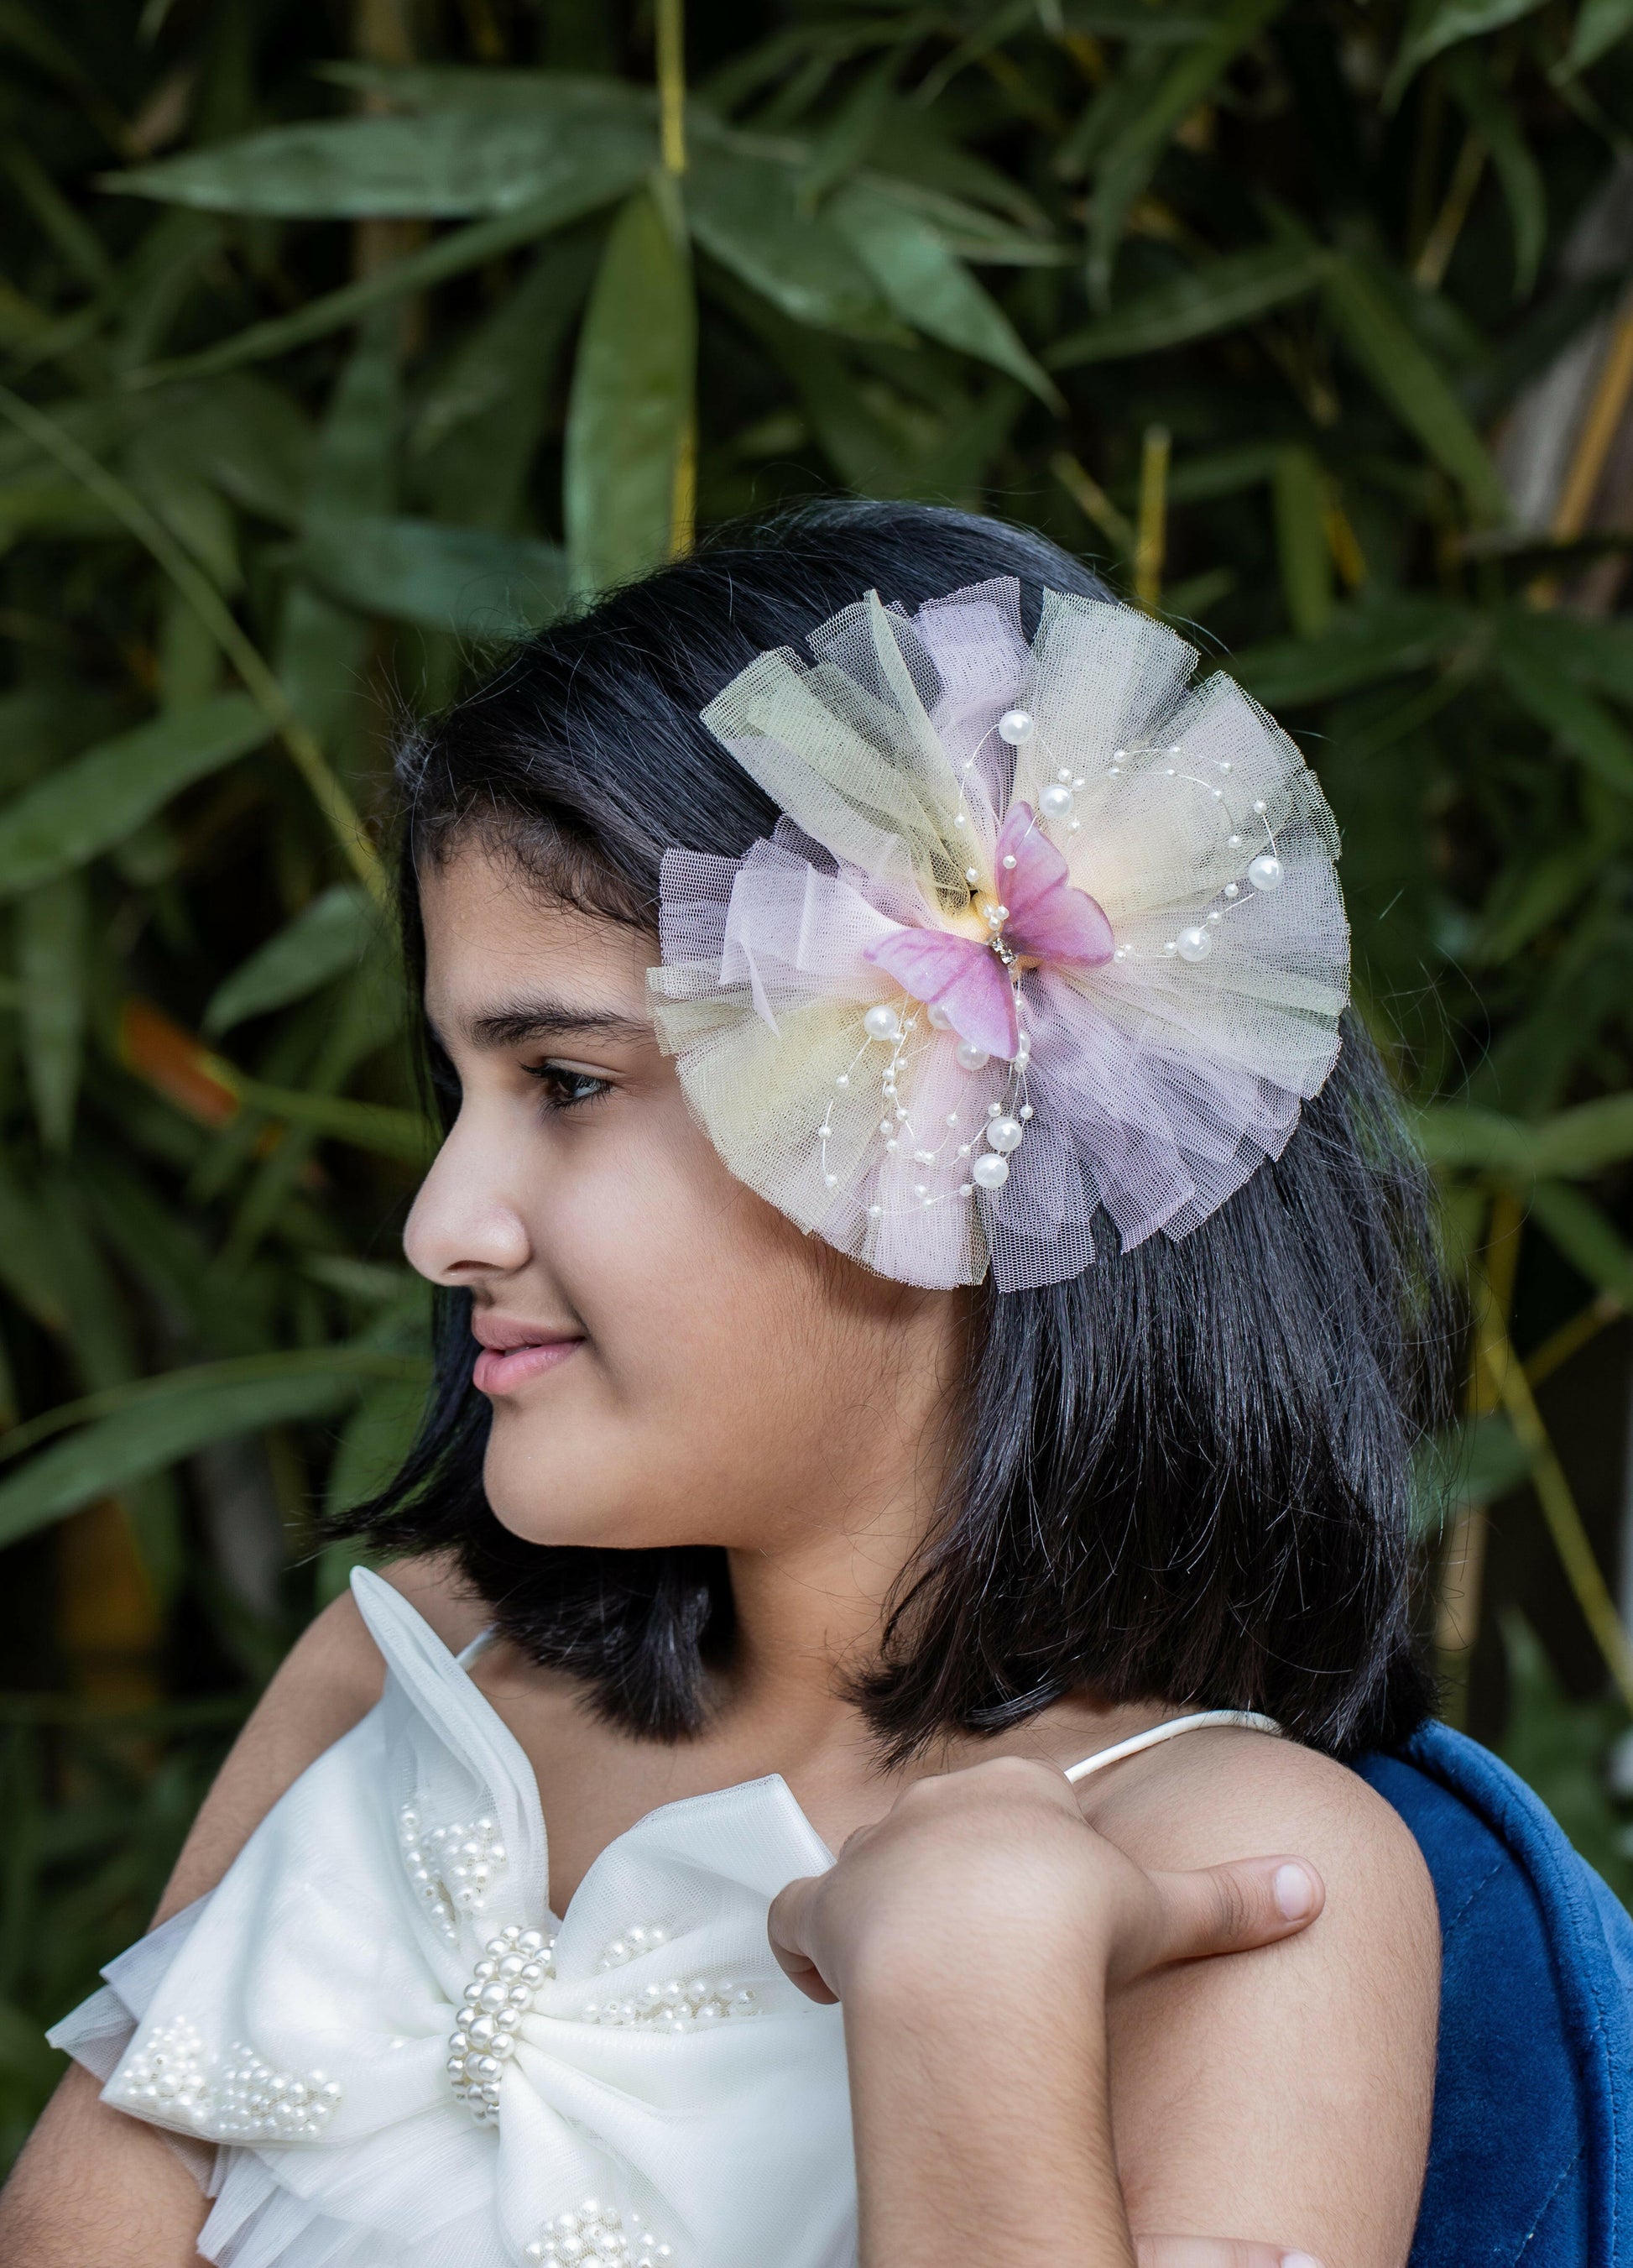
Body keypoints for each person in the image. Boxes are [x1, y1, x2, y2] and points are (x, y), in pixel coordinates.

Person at [0, 504, 1443, 2268]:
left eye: (568, 1082)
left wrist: (965, 2001)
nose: (441, 1223)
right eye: (458, 1089)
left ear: (944, 1132)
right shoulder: (405, 1663)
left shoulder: (1243, 1867)